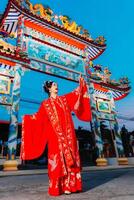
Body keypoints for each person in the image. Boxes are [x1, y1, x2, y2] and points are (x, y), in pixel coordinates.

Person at [20, 76, 92, 196]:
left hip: (68, 136)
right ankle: (58, 187)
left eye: (57, 85)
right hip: (55, 137)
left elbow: (76, 94)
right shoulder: (45, 104)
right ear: (48, 88)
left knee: (70, 159)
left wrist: (81, 83)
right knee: (57, 161)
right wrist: (27, 119)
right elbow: (38, 119)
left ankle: (70, 186)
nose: (56, 87)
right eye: (54, 85)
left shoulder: (64, 100)